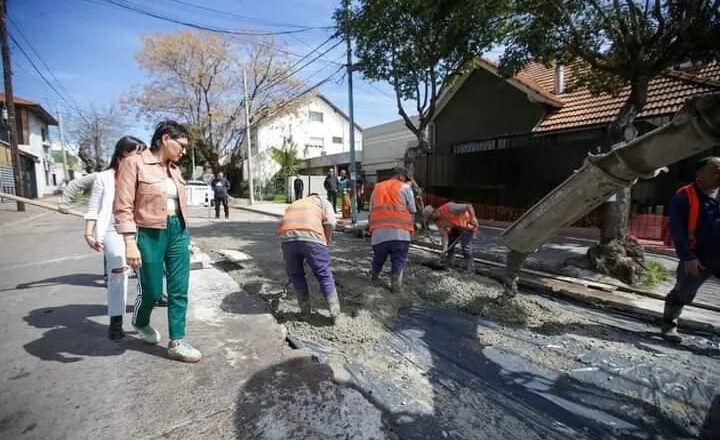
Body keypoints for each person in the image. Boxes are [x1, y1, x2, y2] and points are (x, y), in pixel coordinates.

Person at [114, 120, 201, 363]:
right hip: (148, 232)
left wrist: (187, 237)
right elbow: (122, 207)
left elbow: (178, 206)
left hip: (177, 231)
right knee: (152, 291)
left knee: (178, 289)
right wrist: (130, 242)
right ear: (165, 138)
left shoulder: (175, 170)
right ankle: (140, 321)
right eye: (181, 145)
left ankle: (177, 342)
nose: (183, 151)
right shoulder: (134, 163)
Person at [82, 136, 145, 340]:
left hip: (140, 226)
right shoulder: (104, 177)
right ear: (123, 153)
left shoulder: (142, 174)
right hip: (112, 226)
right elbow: (94, 208)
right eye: (138, 151)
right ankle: (116, 321)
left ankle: (143, 318)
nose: (142, 156)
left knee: (149, 270)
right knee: (119, 270)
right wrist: (88, 232)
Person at [661, 156, 720, 343]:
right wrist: (687, 257)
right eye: (716, 170)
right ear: (699, 173)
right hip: (698, 256)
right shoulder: (685, 196)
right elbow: (676, 229)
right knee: (684, 291)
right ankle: (669, 325)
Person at [276, 192, 340, 324]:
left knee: (296, 275)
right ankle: (335, 314)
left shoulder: (296, 203)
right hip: (312, 237)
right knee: (324, 275)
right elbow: (329, 222)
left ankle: (305, 313)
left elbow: (285, 221)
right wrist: (326, 241)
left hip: (287, 238)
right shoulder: (323, 202)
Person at [368, 166, 416, 293]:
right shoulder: (405, 188)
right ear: (401, 176)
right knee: (398, 260)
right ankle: (396, 286)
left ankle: (374, 278)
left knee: (379, 258)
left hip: (379, 234)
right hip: (401, 234)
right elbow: (412, 210)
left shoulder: (377, 188)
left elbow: (371, 211)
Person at [424, 202, 479, 272]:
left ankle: (470, 269)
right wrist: (444, 249)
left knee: (466, 248)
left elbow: (469, 206)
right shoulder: (437, 221)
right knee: (450, 242)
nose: (432, 220)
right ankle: (450, 262)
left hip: (468, 226)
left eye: (430, 218)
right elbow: (444, 235)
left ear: (434, 212)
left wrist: (473, 218)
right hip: (456, 227)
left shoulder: (449, 208)